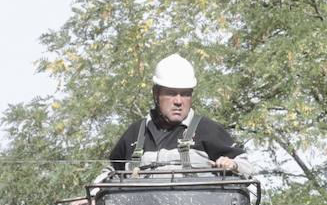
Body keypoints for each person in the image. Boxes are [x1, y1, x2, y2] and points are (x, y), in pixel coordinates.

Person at [107, 53, 254, 176]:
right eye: (171, 93)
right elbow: (109, 171)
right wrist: (94, 194)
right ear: (156, 94)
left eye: (185, 95)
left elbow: (246, 167)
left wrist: (233, 165)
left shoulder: (208, 130)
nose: (178, 101)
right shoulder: (136, 133)